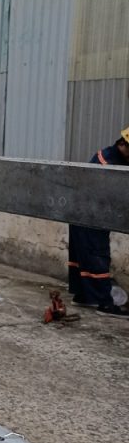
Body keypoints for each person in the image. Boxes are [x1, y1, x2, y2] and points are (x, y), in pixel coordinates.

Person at [68, 125, 129, 317]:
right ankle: (105, 304)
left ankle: (83, 296)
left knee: (83, 257)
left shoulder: (112, 156)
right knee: (97, 256)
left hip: (80, 213)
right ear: (124, 144)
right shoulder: (109, 163)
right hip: (90, 216)